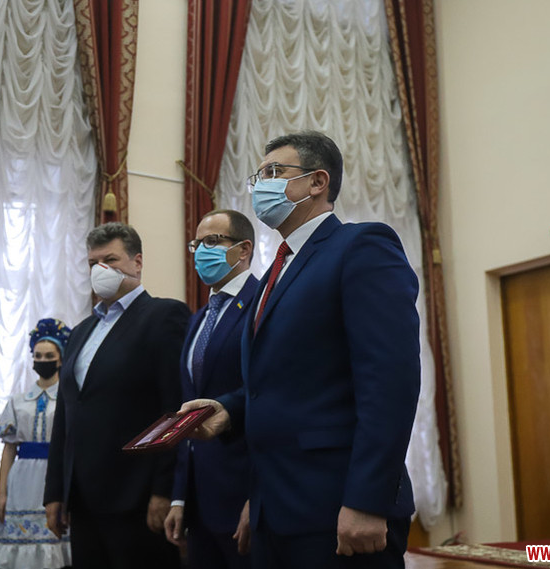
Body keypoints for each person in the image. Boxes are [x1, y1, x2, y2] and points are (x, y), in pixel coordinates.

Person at [180, 131, 421, 568]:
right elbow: (280, 382)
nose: (261, 185)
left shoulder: (361, 246)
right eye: (258, 176)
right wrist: (228, 410)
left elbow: (390, 383)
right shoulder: (276, 271)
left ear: (317, 182)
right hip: (275, 507)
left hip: (338, 504)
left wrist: (367, 500)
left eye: (274, 172)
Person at [44, 222, 190, 569]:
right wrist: (55, 492)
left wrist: (164, 490)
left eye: (110, 260)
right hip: (82, 499)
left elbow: (175, 409)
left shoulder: (163, 316)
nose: (100, 269)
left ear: (137, 262)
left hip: (136, 497)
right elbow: (66, 414)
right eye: (93, 263)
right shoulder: (80, 331)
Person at [163, 210, 257, 568]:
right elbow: (189, 410)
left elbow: (269, 396)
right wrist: (179, 497)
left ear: (243, 249)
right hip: (200, 502)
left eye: (213, 241)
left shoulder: (264, 303)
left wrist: (259, 496)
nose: (202, 251)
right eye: (197, 243)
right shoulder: (198, 318)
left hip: (245, 493)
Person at [0, 318, 73, 568]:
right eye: (38, 356)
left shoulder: (69, 399)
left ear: (61, 359)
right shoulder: (18, 401)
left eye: (49, 356)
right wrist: (1, 494)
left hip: (54, 472)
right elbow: (9, 449)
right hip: (22, 478)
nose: (43, 360)